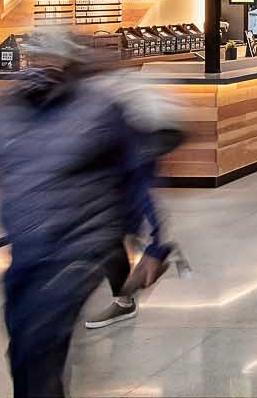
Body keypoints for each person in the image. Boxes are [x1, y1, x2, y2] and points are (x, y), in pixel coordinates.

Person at [0, 30, 150, 398]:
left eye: (52, 60)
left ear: (71, 63)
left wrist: (153, 240)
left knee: (40, 347)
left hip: (77, 247)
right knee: (22, 347)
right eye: (37, 59)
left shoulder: (99, 109)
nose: (43, 68)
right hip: (28, 250)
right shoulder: (13, 107)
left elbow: (134, 174)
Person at [83, 65, 189, 330]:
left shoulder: (102, 106)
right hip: (145, 132)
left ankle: (125, 299)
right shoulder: (91, 94)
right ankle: (153, 254)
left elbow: (141, 188)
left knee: (111, 225)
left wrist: (156, 242)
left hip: (146, 134)